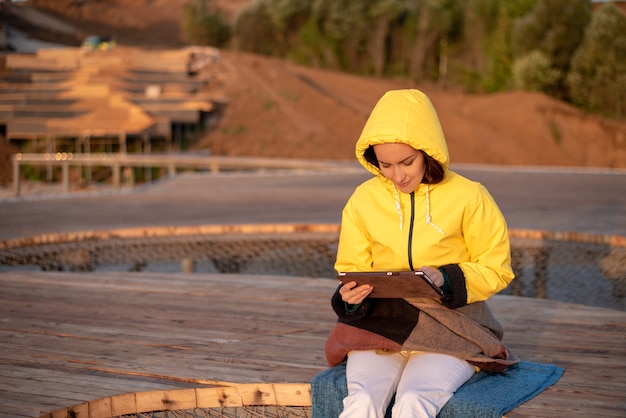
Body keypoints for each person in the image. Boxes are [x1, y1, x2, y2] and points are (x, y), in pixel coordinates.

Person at [324, 89, 519, 418]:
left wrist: (447, 278)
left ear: (428, 152)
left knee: (414, 401)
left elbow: (496, 268)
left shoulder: (470, 196)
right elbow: (352, 267)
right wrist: (350, 298)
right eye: (385, 164)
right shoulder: (363, 199)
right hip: (383, 322)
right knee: (361, 403)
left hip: (453, 325)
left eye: (407, 162)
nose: (397, 175)